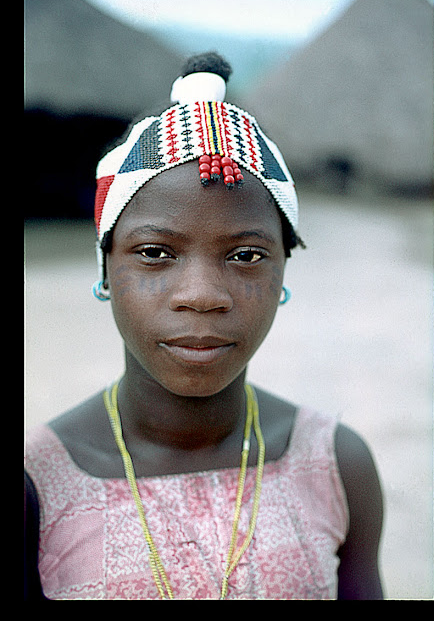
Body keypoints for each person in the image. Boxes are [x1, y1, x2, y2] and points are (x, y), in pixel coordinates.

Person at [25, 52, 384, 600]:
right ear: (105, 271)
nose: (202, 296)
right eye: (154, 252)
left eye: (245, 256)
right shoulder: (39, 483)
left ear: (284, 268)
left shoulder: (335, 466)